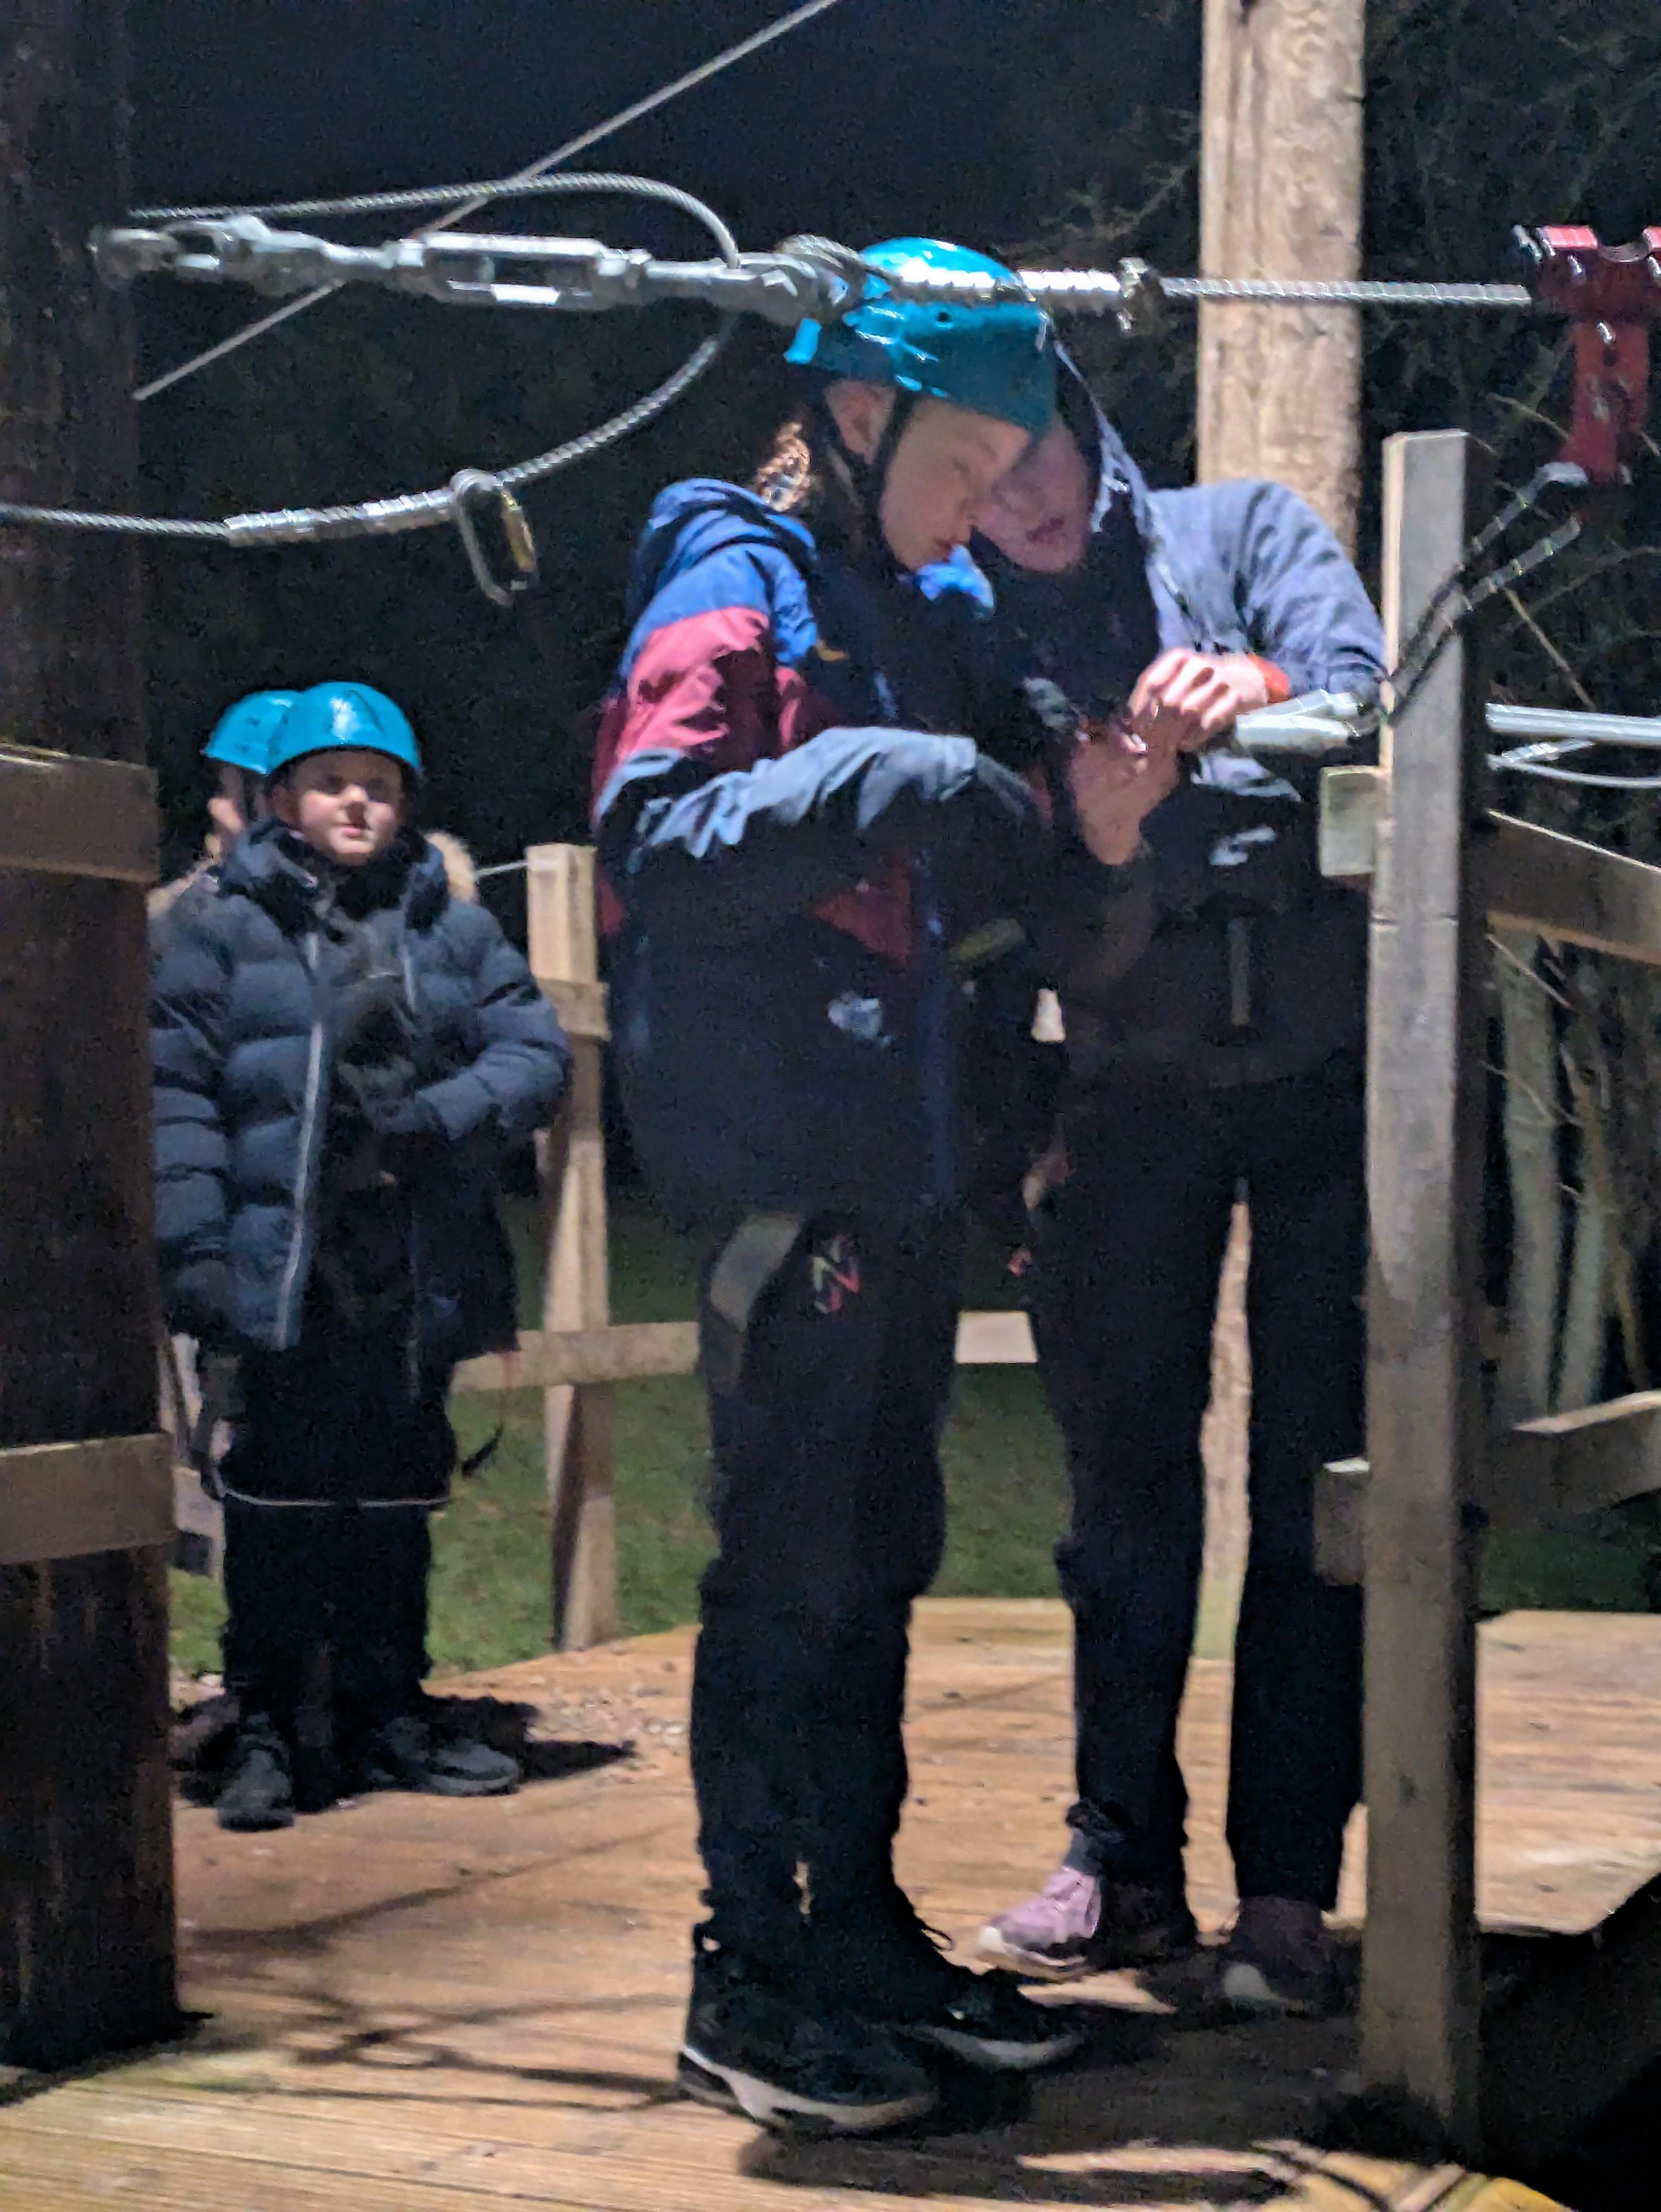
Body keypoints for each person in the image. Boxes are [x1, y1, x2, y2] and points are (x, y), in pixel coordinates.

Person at [591, 239, 1185, 2136]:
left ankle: (851, 1929)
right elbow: (654, 836)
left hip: (907, 1161)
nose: (982, 504)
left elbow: (1023, 886)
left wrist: (1095, 830)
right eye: (962, 462)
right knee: (788, 1569)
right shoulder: (734, 574)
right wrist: (884, 767)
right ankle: (748, 1975)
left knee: (877, 1559)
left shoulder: (925, 609)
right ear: (857, 409)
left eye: (1008, 469)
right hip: (781, 1156)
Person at [970, 354, 1385, 2015]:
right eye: (982, 467)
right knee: (1122, 1481)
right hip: (1128, 1086)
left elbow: (1371, 692)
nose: (1021, 492)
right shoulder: (974, 640)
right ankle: (1122, 1860)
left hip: (1326, 1074)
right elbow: (1023, 906)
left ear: (1091, 435)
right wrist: (1106, 833)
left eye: (1039, 449)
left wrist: (1257, 682)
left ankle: (1288, 1886)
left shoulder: (1243, 530)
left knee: (1316, 1478)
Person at [152, 682, 570, 1831]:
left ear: (406, 803)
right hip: (284, 1261)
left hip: (411, 1260)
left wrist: (438, 1117)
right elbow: (175, 1096)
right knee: (277, 1497)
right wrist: (195, 1249)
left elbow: (534, 1052)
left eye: (378, 785)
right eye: (331, 782)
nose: (355, 801)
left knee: (396, 1487)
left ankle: (388, 1710)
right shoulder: (221, 925)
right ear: (283, 797)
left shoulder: (453, 926)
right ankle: (269, 1726)